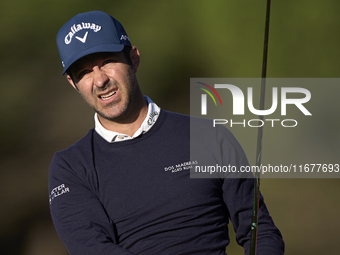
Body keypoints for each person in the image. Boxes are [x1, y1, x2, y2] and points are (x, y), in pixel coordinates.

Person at [49, 10, 284, 255]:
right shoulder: (70, 168)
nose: (99, 81)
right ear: (73, 83)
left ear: (134, 58)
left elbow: (261, 233)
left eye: (107, 62)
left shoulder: (209, 136)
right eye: (84, 72)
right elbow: (94, 249)